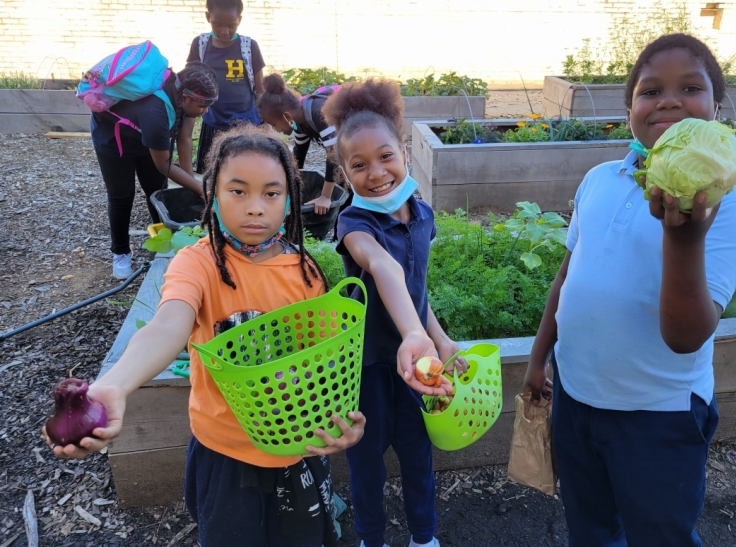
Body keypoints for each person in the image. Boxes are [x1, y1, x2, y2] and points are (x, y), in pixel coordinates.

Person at [46, 125, 366, 547]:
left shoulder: (304, 273)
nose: (256, 208)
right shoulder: (197, 265)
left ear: (289, 199)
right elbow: (167, 326)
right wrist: (114, 385)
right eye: (238, 191)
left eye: (271, 193)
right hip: (225, 451)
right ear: (211, 193)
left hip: (298, 448)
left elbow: (325, 365)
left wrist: (341, 423)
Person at [522, 33, 736, 547]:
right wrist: (540, 358)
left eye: (690, 88)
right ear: (629, 108)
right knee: (590, 526)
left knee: (660, 533)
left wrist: (683, 235)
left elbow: (685, 336)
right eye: (650, 91)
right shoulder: (599, 179)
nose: (669, 101)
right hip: (577, 397)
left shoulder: (727, 205)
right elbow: (566, 278)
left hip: (659, 416)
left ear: (716, 108)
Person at [320, 78, 468, 547]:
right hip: (366, 368)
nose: (376, 172)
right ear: (344, 174)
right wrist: (411, 335)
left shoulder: (422, 215)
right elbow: (383, 267)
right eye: (358, 164)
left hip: (416, 361)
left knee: (418, 456)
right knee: (366, 466)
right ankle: (371, 538)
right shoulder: (354, 223)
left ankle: (424, 538)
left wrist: (437, 338)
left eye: (385, 156)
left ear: (404, 150)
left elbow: (416, 291)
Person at [90, 61, 217, 279]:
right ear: (186, 98)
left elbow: (184, 137)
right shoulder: (156, 112)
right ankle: (120, 252)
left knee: (156, 190)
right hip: (115, 140)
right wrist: (199, 187)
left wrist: (191, 184)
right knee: (122, 195)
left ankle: (161, 241)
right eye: (202, 106)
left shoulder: (182, 93)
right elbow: (164, 164)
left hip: (149, 137)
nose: (205, 111)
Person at [181, 0, 266, 176]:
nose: (225, 31)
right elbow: (190, 87)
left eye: (231, 25)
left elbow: (261, 89)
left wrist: (265, 126)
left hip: (247, 125)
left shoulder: (249, 46)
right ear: (208, 17)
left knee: (246, 175)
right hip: (213, 124)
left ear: (240, 20)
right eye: (218, 24)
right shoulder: (200, 45)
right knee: (212, 176)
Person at [258, 75, 347, 222]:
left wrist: (325, 196)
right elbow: (297, 160)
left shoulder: (320, 114)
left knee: (349, 190)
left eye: (273, 124)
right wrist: (285, 192)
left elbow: (335, 155)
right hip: (346, 151)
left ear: (287, 116)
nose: (275, 130)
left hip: (367, 139)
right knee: (343, 185)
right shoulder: (300, 124)